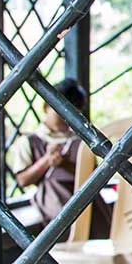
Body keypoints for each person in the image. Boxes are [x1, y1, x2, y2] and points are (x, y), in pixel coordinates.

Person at [9, 78, 109, 235]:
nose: (66, 118)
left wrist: (67, 164)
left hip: (88, 202)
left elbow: (98, 175)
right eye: (61, 112)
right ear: (46, 107)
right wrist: (47, 161)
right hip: (55, 200)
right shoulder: (29, 141)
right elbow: (22, 180)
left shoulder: (80, 141)